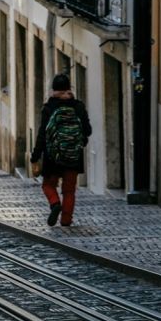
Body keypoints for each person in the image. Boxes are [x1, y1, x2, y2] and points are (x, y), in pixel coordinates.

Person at [30, 74, 92, 227]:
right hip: (73, 156)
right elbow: (88, 130)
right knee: (69, 191)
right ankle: (66, 220)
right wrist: (79, 142)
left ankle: (55, 203)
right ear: (69, 88)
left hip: (53, 157)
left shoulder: (49, 107)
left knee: (48, 185)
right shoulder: (78, 106)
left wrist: (35, 156)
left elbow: (42, 134)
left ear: (53, 89)